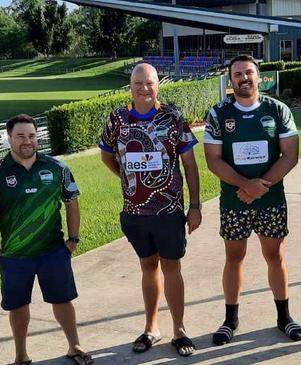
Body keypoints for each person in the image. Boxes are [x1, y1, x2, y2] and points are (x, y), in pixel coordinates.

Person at [99, 63, 201, 357]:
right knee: (148, 267)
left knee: (171, 268)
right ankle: (151, 328)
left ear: (159, 85)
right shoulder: (117, 119)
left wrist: (194, 206)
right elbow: (107, 157)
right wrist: (129, 180)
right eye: (138, 83)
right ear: (130, 86)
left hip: (169, 211)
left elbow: (190, 167)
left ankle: (179, 329)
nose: (144, 88)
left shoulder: (172, 117)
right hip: (134, 212)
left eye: (150, 83)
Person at [203, 54, 301, 345]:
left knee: (275, 256)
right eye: (237, 74)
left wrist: (263, 185)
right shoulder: (218, 114)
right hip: (234, 200)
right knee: (234, 258)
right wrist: (245, 185)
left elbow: (291, 155)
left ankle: (284, 317)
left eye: (249, 73)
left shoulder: (278, 110)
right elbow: (213, 160)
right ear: (230, 80)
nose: (243, 78)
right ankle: (230, 320)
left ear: (259, 77)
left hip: (270, 200)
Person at [0, 114, 92, 365]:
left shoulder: (57, 168)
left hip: (53, 252)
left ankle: (75, 346)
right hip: (15, 257)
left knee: (63, 300)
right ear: (9, 139)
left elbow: (72, 203)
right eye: (20, 136)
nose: (27, 141)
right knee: (18, 306)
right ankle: (21, 356)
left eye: (31, 135)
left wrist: (72, 240)